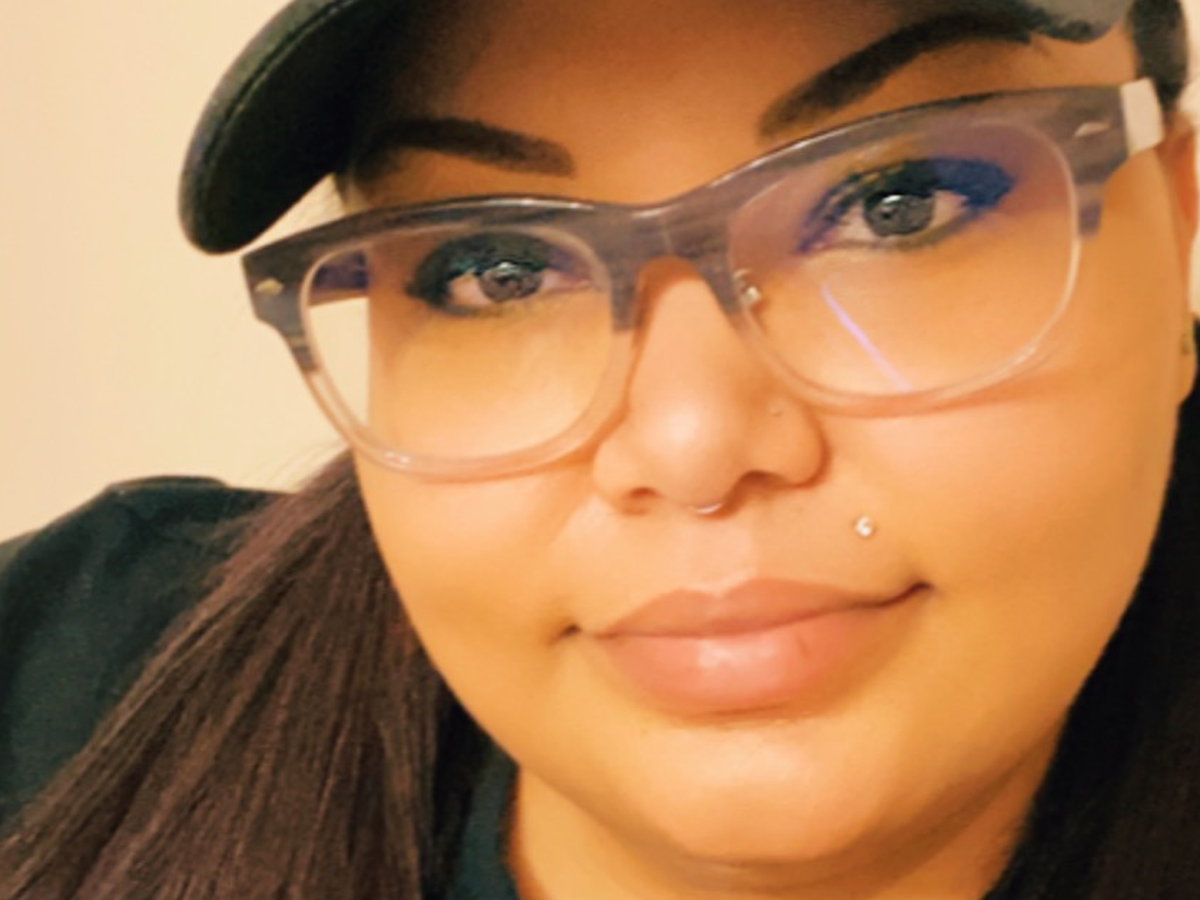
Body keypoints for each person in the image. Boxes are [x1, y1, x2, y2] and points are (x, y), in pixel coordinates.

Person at [1, 0, 1198, 897]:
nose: (689, 445)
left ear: (1180, 219)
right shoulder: (68, 670)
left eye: (901, 202)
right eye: (497, 267)